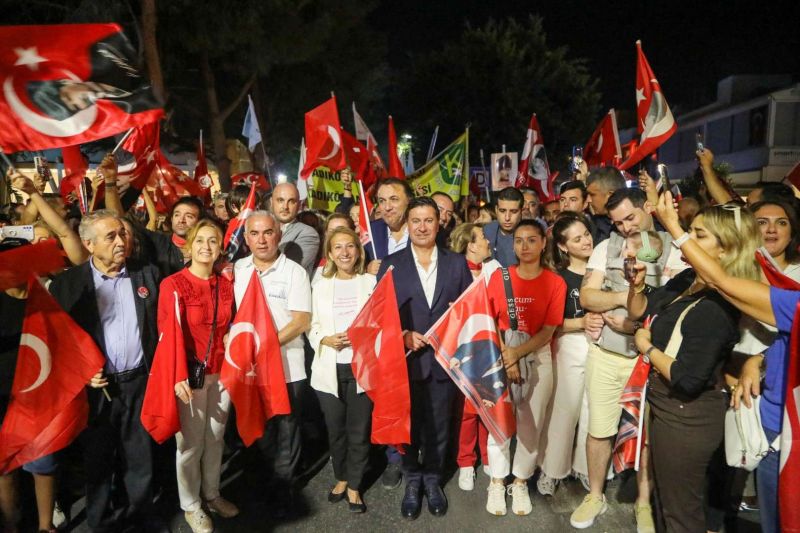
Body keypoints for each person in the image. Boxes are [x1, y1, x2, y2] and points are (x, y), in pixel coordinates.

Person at [653, 191, 795, 533]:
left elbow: (723, 283)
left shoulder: (779, 291)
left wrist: (673, 225)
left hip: (780, 427)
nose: (771, 230)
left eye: (781, 223)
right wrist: (754, 361)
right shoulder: (784, 293)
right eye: (762, 223)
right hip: (762, 418)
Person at [628, 205, 760, 532]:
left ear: (727, 248)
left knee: (681, 514)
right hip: (666, 406)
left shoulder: (716, 306)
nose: (683, 242)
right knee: (670, 505)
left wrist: (647, 348)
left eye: (698, 235)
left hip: (685, 414)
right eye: (689, 230)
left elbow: (687, 379)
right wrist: (638, 285)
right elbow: (641, 311)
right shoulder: (691, 278)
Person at [572, 188, 686, 532]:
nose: (623, 228)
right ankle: (595, 494)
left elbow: (679, 303)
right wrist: (625, 299)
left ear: (647, 208)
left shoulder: (676, 249)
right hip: (608, 354)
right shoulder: (607, 248)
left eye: (630, 218)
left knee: (648, 434)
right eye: (617, 222)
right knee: (599, 428)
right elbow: (589, 296)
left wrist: (637, 321)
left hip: (653, 359)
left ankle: (643, 503)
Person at [49, 210, 160, 532]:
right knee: (98, 462)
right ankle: (101, 523)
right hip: (96, 390)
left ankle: (143, 518)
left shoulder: (147, 274)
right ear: (88, 243)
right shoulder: (68, 286)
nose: (120, 241)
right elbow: (58, 341)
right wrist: (80, 372)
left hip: (139, 382)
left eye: (122, 234)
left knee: (140, 457)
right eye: (110, 236)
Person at [377, 197, 472, 520]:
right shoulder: (390, 264)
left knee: (439, 428)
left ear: (439, 223)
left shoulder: (456, 264)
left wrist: (453, 327)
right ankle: (412, 481)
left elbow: (468, 311)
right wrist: (403, 335)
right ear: (407, 225)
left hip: (445, 364)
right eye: (415, 220)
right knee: (408, 429)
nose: (421, 227)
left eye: (428, 220)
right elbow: (379, 316)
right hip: (405, 362)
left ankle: (433, 480)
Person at [155, 220, 238, 533]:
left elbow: (231, 325)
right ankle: (191, 505)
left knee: (216, 437)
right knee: (190, 444)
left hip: (222, 372)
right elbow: (167, 334)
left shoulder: (226, 285)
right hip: (189, 376)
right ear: (188, 246)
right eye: (200, 240)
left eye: (213, 241)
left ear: (220, 248)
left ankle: (212, 493)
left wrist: (232, 338)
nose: (206, 246)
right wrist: (176, 376)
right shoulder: (173, 285)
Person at [483, 220, 566, 516]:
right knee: (499, 423)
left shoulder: (555, 282)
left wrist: (517, 354)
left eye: (532, 240)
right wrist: (507, 355)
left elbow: (549, 330)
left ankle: (519, 481)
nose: (524, 247)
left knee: (531, 424)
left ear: (544, 243)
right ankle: (496, 480)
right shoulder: (499, 277)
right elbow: (489, 318)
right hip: (500, 353)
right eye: (519, 240)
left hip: (537, 355)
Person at [233, 211, 311, 518]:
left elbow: (302, 320)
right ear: (247, 238)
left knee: (287, 430)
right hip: (251, 369)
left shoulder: (294, 272)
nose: (262, 239)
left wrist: (262, 344)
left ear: (278, 235)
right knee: (260, 428)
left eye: (268, 233)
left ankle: (285, 489)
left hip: (288, 366)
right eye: (255, 234)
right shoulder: (238, 269)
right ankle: (266, 483)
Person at [309, 227, 376, 514]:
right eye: (338, 247)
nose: (345, 252)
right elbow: (309, 325)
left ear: (358, 251)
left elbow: (380, 325)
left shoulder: (370, 282)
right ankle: (341, 476)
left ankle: (355, 485)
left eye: (350, 246)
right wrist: (323, 338)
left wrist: (362, 335)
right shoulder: (319, 284)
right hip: (328, 368)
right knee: (336, 431)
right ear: (330, 254)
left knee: (358, 431)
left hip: (361, 368)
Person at [537, 213, 604, 496]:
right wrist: (580, 323)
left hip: (602, 348)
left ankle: (586, 468)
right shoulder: (558, 278)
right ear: (563, 247)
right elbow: (548, 323)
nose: (586, 241)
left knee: (594, 412)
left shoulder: (605, 269)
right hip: (570, 345)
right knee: (564, 411)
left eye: (586, 234)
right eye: (577, 239)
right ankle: (552, 470)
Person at [447, 222, 501, 491]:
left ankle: (489, 455)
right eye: (482, 238)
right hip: (463, 349)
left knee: (487, 403)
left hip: (490, 346)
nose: (488, 242)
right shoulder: (454, 272)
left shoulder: (495, 268)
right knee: (467, 411)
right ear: (470, 244)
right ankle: (466, 463)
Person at [270, 182, 320, 277]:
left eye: (291, 201)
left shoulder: (309, 234)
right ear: (271, 202)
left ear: (299, 205)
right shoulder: (261, 230)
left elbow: (287, 269)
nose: (285, 207)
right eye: (280, 200)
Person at [482, 187, 524, 267]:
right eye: (502, 211)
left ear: (521, 211)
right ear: (496, 210)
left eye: (513, 211)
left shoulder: (529, 234)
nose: (507, 217)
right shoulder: (486, 231)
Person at [585, 167, 626, 243]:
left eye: (592, 195)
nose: (588, 200)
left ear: (611, 195)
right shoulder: (591, 225)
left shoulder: (637, 224)